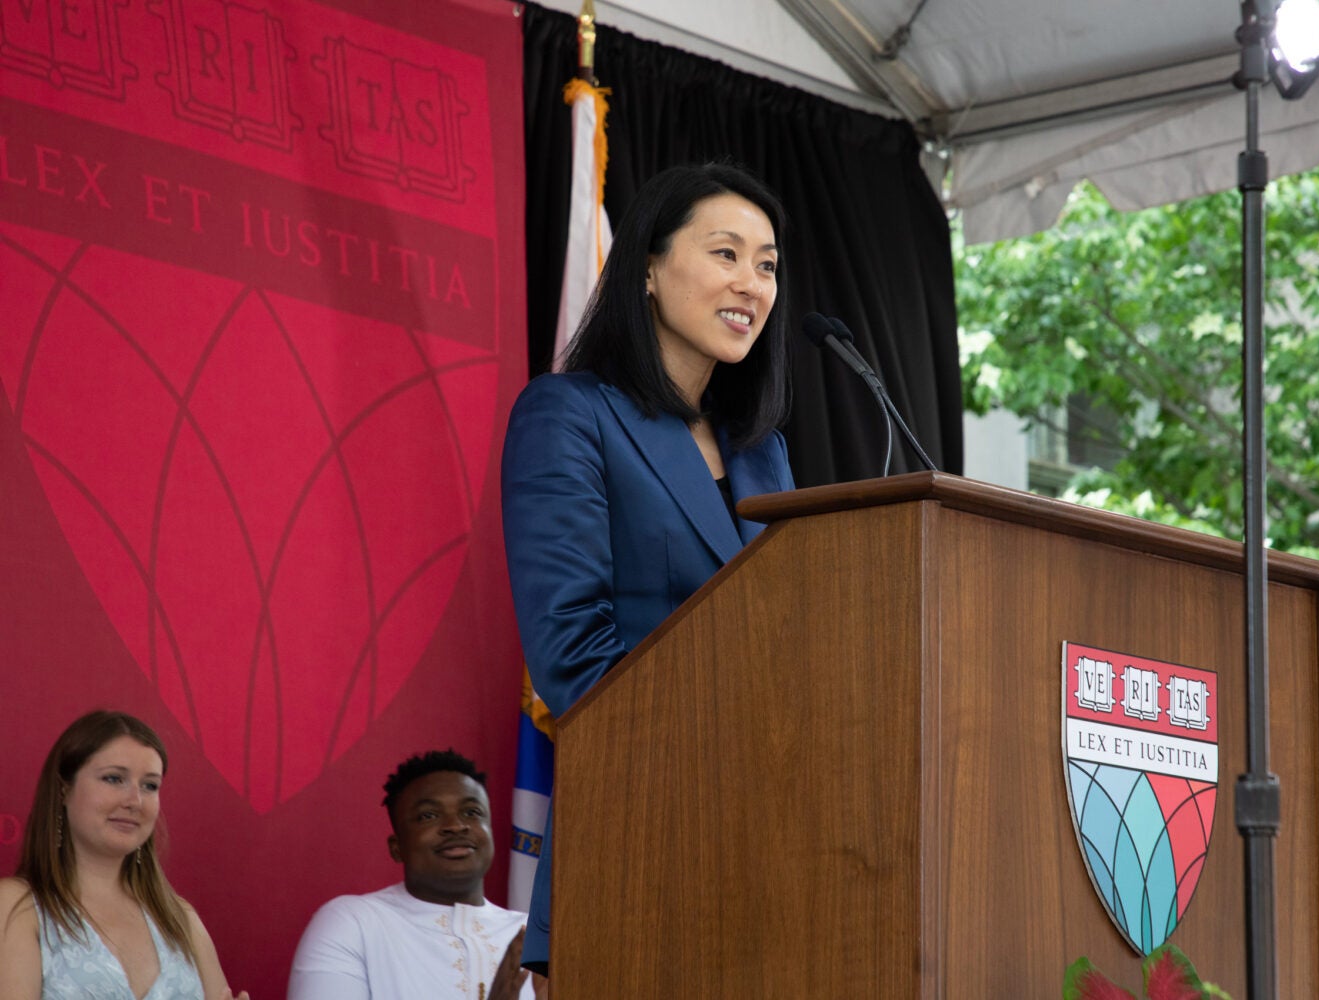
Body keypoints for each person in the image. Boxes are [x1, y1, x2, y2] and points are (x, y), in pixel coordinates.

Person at [501, 161, 797, 975]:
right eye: (726, 253)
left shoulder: (762, 457)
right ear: (648, 273)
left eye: (767, 264)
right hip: (638, 848)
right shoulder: (570, 415)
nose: (753, 283)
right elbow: (572, 656)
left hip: (776, 862)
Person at [0, 710, 249, 1000]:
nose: (135, 801)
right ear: (63, 790)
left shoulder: (181, 918)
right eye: (114, 779)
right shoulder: (15, 906)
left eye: (150, 785)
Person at [287, 749, 537, 1000]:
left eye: (471, 812)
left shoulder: (538, 936)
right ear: (397, 848)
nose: (456, 825)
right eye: (428, 816)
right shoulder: (354, 923)